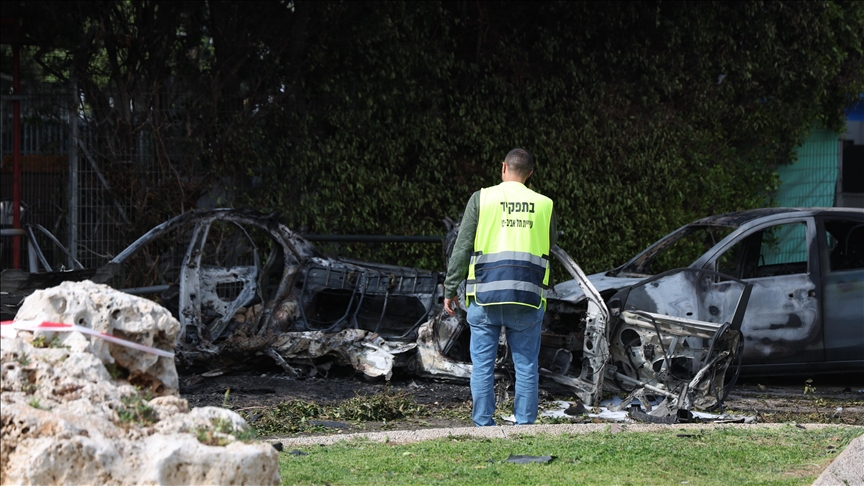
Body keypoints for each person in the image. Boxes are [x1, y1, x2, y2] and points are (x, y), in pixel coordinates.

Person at [443, 148, 557, 427]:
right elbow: (550, 243)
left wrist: (450, 288)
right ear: (530, 174)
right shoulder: (545, 204)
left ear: (504, 167)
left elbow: (462, 247)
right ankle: (525, 424)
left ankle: (484, 424)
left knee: (482, 365)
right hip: (527, 297)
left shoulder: (482, 198)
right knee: (526, 366)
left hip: (485, 296)